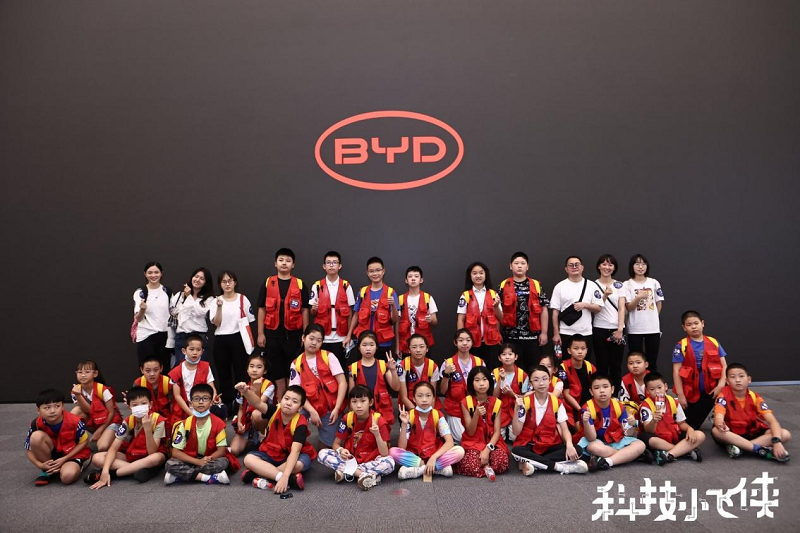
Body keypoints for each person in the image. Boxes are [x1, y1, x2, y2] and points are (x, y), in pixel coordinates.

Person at [511, 365, 588, 475]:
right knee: (516, 451)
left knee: (577, 450)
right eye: (536, 380)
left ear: (550, 380)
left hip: (549, 444)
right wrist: (516, 410)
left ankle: (535, 464)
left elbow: (565, 429)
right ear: (531, 383)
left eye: (544, 379)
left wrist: (569, 445)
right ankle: (559, 467)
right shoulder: (525, 402)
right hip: (529, 444)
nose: (541, 383)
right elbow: (516, 431)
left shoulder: (556, 402)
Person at [85, 386, 167, 488]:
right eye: (135, 405)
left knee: (156, 458)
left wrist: (147, 430)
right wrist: (105, 470)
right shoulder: (128, 421)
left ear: (150, 404)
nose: (139, 407)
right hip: (133, 455)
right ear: (129, 407)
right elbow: (114, 448)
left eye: (143, 403)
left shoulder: (158, 420)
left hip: (150, 456)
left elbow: (152, 452)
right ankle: (138, 470)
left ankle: (114, 474)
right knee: (97, 458)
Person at [257, 248, 311, 402]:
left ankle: (293, 401)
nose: (284, 263)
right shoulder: (268, 283)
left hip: (293, 335)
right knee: (277, 370)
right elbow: (261, 309)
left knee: (292, 369)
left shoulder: (300, 284)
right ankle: (281, 401)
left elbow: (305, 310)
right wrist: (260, 333)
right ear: (275, 263)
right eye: (281, 260)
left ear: (293, 264)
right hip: (272, 334)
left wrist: (305, 334)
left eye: (288, 261)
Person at [317, 385, 395, 490]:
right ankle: (363, 475)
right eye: (354, 402)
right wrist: (341, 450)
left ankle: (347, 472)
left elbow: (384, 453)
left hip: (371, 460)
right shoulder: (347, 418)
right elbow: (335, 444)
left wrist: (377, 434)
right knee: (322, 453)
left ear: (371, 402)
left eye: (363, 401)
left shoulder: (379, 420)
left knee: (389, 462)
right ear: (350, 404)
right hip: (350, 458)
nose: (358, 405)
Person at [242, 385, 317, 493]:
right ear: (281, 400)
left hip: (292, 455)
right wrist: (246, 392)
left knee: (299, 464)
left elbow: (295, 452)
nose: (289, 403)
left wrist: (285, 476)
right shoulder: (274, 410)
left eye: (295, 402)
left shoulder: (301, 423)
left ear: (300, 408)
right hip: (272, 452)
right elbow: (258, 403)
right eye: (286, 399)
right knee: (248, 459)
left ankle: (260, 473)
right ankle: (282, 478)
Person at [711, 363, 791, 462]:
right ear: (727, 381)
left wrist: (777, 441)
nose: (737, 380)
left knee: (785, 434)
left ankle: (741, 447)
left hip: (751, 431)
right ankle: (758, 449)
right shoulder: (723, 396)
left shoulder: (755, 397)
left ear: (748, 379)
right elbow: (718, 417)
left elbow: (772, 421)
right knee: (716, 431)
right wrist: (720, 425)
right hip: (732, 433)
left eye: (741, 376)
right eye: (733, 377)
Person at [390, 382, 465, 479]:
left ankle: (420, 469)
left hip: (434, 453)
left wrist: (434, 457)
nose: (424, 399)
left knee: (459, 451)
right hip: (415, 455)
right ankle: (433, 468)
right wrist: (404, 424)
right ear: (414, 399)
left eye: (428, 396)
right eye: (420, 396)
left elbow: (449, 442)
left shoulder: (437, 415)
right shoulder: (410, 415)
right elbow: (402, 447)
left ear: (433, 398)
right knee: (392, 452)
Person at [289, 324, 347, 449]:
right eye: (311, 338)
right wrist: (312, 411)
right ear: (303, 338)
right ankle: (294, 444)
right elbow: (297, 393)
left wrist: (337, 408)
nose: (314, 343)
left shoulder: (328, 357)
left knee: (324, 449)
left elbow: (343, 382)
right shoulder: (296, 364)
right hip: (308, 404)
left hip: (330, 408)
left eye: (319, 340)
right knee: (290, 410)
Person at [577, 374, 646, 472]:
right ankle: (628, 456)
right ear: (591, 392)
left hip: (615, 440)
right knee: (593, 447)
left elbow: (627, 433)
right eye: (597, 388)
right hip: (597, 441)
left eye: (605, 387)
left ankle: (607, 461)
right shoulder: (587, 408)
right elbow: (591, 438)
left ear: (612, 389)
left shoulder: (618, 406)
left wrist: (633, 424)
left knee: (640, 445)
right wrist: (585, 422)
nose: (602, 391)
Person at [672, 310, 728, 429]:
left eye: (696, 323)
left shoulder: (713, 342)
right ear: (684, 328)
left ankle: (717, 416)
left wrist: (720, 385)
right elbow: (676, 371)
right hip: (690, 392)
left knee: (728, 387)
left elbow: (724, 366)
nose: (693, 327)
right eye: (689, 324)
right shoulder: (681, 345)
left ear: (702, 323)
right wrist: (681, 395)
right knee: (689, 426)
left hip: (711, 390)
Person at [164, 384, 230, 485]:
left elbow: (221, 451)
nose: (201, 402)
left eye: (205, 398)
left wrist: (207, 459)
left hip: (209, 459)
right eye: (196, 399)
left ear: (211, 402)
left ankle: (181, 476)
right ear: (191, 403)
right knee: (169, 464)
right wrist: (197, 462)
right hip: (190, 459)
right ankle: (207, 477)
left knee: (223, 462)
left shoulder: (219, 423)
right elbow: (175, 452)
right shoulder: (185, 424)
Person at [25, 389, 91, 486]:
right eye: (47, 407)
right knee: (36, 437)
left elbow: (84, 442)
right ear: (38, 410)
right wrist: (40, 465)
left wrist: (65, 458)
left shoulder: (75, 421)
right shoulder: (36, 423)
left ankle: (76, 466)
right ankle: (48, 470)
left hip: (72, 454)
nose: (52, 411)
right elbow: (29, 450)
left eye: (57, 406)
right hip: (52, 454)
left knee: (67, 477)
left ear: (63, 406)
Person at [211, 270, 255, 412]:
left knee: (241, 373)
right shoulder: (215, 301)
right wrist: (219, 306)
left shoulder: (242, 299)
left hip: (238, 338)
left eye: (230, 281)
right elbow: (216, 323)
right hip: (221, 339)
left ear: (235, 282)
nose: (227, 284)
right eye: (224, 281)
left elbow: (250, 320)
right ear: (220, 284)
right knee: (223, 374)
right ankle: (227, 405)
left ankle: (241, 404)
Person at [454, 367, 509, 480]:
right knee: (470, 464)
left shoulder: (496, 402)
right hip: (473, 442)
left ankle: (485, 466)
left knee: (501, 461)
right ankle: (487, 467)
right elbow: (470, 432)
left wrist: (487, 449)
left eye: (484, 379)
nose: (482, 384)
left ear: (489, 381)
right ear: (471, 383)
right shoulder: (466, 402)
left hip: (492, 442)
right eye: (477, 380)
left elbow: (497, 431)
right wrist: (476, 415)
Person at [638, 373, 705, 464]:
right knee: (652, 441)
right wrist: (654, 421)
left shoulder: (673, 402)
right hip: (657, 437)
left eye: (659, 387)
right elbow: (648, 430)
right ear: (647, 391)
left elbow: (681, 423)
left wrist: (690, 429)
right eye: (652, 389)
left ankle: (669, 454)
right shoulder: (646, 405)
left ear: (665, 387)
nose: (657, 391)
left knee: (700, 435)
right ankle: (684, 451)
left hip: (673, 435)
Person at [498, 252, 549, 372]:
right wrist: (497, 332)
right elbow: (497, 310)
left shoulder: (536, 285)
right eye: (516, 263)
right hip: (510, 336)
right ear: (511, 266)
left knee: (533, 369)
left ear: (527, 266)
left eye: (522, 263)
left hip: (532, 337)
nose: (519, 266)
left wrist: (544, 332)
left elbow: (544, 309)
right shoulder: (504, 285)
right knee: (511, 370)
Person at [551, 255, 604, 359]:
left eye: (577, 264)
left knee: (585, 363)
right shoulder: (560, 286)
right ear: (566, 269)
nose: (574, 267)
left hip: (586, 333)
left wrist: (585, 305)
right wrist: (556, 333)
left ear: (582, 267)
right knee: (565, 364)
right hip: (565, 332)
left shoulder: (592, 285)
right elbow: (555, 312)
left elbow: (598, 308)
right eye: (571, 265)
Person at [347, 256, 399, 360]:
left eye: (378, 270)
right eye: (371, 271)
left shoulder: (391, 292)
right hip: (364, 341)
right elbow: (356, 315)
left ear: (383, 271)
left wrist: (393, 305)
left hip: (383, 342)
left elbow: (394, 320)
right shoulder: (362, 292)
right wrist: (348, 336)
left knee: (383, 369)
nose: (375, 274)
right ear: (367, 273)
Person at [440, 329, 485, 443]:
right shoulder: (448, 363)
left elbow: (486, 388)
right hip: (456, 409)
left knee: (481, 435)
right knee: (461, 438)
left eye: (468, 340)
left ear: (472, 342)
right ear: (455, 343)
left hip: (475, 408)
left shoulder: (480, 362)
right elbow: (443, 391)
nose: (464, 343)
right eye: (461, 340)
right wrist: (446, 374)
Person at [310, 251, 355, 366]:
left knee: (340, 368)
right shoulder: (317, 286)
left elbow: (350, 313)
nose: (331, 265)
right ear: (324, 266)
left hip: (341, 338)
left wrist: (349, 336)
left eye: (334, 262)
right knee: (323, 368)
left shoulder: (346, 286)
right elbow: (312, 313)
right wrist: (314, 309)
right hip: (322, 337)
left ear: (340, 266)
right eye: (328, 262)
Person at [620, 254, 664, 368]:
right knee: (636, 361)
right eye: (637, 264)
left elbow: (659, 303)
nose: (641, 267)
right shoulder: (627, 284)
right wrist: (638, 297)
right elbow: (629, 307)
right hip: (635, 328)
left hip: (653, 328)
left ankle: (652, 380)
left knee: (652, 361)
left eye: (643, 264)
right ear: (632, 266)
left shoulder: (654, 282)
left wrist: (653, 317)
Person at [457, 261, 503, 367]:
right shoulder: (465, 296)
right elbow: (460, 319)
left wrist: (496, 307)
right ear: (470, 276)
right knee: (475, 369)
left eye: (481, 273)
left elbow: (501, 318)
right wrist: (461, 339)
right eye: (475, 273)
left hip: (492, 341)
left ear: (486, 275)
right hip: (472, 342)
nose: (478, 276)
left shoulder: (493, 294)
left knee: (492, 369)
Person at [348, 331, 399, 425]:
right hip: (362, 413)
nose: (368, 348)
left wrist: (393, 370)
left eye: (372, 345)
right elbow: (351, 395)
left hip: (382, 412)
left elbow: (396, 387)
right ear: (359, 347)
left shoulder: (383, 365)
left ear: (376, 347)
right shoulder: (353, 368)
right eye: (364, 345)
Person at [70, 360, 121, 452]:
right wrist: (78, 395)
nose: (83, 375)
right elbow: (88, 410)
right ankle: (71, 443)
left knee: (102, 447)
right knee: (75, 411)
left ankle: (115, 435)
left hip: (110, 421)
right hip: (94, 420)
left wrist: (99, 431)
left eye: (87, 372)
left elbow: (111, 413)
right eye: (80, 372)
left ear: (95, 374)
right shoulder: (75, 391)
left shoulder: (103, 390)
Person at [168, 334, 220, 423]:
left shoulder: (206, 367)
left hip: (202, 404)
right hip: (184, 408)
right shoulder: (176, 371)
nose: (195, 352)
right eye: (191, 349)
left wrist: (214, 397)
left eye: (198, 350)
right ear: (184, 351)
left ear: (202, 351)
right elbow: (177, 396)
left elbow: (211, 387)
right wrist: (191, 414)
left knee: (220, 409)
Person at [230, 354, 274, 456]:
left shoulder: (269, 385)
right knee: (234, 450)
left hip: (264, 421)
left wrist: (257, 390)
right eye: (251, 366)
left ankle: (264, 437)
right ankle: (252, 437)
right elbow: (241, 408)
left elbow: (259, 405)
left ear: (265, 371)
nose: (254, 370)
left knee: (256, 414)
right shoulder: (244, 385)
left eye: (259, 367)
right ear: (247, 369)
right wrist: (239, 422)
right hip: (248, 421)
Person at [592, 254, 627, 386]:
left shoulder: (619, 285)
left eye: (610, 265)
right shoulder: (593, 285)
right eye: (604, 264)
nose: (607, 267)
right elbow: (596, 308)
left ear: (614, 268)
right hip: (599, 328)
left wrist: (620, 329)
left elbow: (622, 308)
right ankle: (602, 392)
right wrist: (605, 295)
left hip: (617, 329)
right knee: (601, 364)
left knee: (616, 365)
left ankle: (615, 393)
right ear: (599, 266)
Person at [169, 267, 215, 365]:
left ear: (206, 282)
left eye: (202, 278)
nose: (197, 280)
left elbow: (198, 312)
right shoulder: (179, 295)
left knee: (200, 368)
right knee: (181, 367)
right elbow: (173, 311)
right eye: (196, 276)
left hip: (199, 337)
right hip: (181, 337)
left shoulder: (209, 298)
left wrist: (189, 296)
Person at [132, 261, 171, 369]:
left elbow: (173, 313)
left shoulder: (167, 291)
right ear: (145, 274)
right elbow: (138, 318)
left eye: (156, 272)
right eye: (150, 273)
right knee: (147, 370)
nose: (153, 275)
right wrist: (142, 309)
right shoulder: (140, 292)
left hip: (164, 336)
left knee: (164, 370)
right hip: (146, 336)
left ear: (161, 273)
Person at [397, 266, 438, 355]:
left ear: (421, 280)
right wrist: (397, 346)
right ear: (406, 280)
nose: (413, 279)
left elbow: (435, 321)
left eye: (416, 276)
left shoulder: (428, 298)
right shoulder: (400, 299)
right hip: (405, 343)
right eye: (410, 276)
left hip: (423, 343)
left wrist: (431, 319)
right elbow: (397, 324)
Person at [557, 335, 596, 429]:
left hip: (588, 405)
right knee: (580, 428)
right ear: (569, 350)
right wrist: (580, 409)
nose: (580, 351)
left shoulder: (590, 367)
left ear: (587, 350)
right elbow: (566, 394)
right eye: (576, 348)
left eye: (583, 348)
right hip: (571, 407)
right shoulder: (563, 368)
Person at [492, 343, 529, 440]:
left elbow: (526, 398)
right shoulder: (494, 373)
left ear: (516, 357)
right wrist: (500, 379)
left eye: (510, 354)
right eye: (504, 354)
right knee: (498, 438)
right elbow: (494, 397)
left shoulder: (523, 375)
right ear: (499, 358)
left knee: (515, 437)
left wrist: (512, 394)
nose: (507, 357)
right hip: (500, 410)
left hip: (516, 409)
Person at [398, 333, 441, 410]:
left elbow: (433, 396)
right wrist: (416, 413)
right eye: (414, 347)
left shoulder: (433, 366)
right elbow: (404, 397)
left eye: (421, 347)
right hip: (409, 406)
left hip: (428, 406)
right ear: (409, 350)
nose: (418, 350)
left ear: (427, 349)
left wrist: (428, 412)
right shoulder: (402, 366)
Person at [132, 356, 174, 427]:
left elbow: (172, 406)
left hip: (166, 417)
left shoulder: (168, 382)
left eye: (155, 370)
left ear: (161, 368)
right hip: (146, 416)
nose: (152, 374)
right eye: (148, 371)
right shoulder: (138, 383)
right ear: (142, 370)